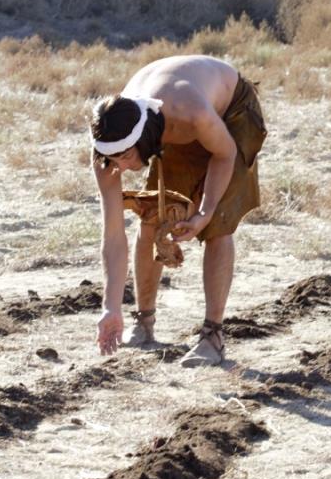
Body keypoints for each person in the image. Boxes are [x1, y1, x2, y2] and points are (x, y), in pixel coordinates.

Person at [91, 55, 267, 367]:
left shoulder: (191, 112)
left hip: (230, 114)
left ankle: (213, 338)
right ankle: (142, 322)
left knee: (217, 228)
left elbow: (224, 154)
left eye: (126, 157)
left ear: (143, 140)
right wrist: (111, 306)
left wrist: (205, 212)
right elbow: (113, 235)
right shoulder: (108, 152)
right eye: (113, 159)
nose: (121, 167)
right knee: (151, 219)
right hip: (169, 122)